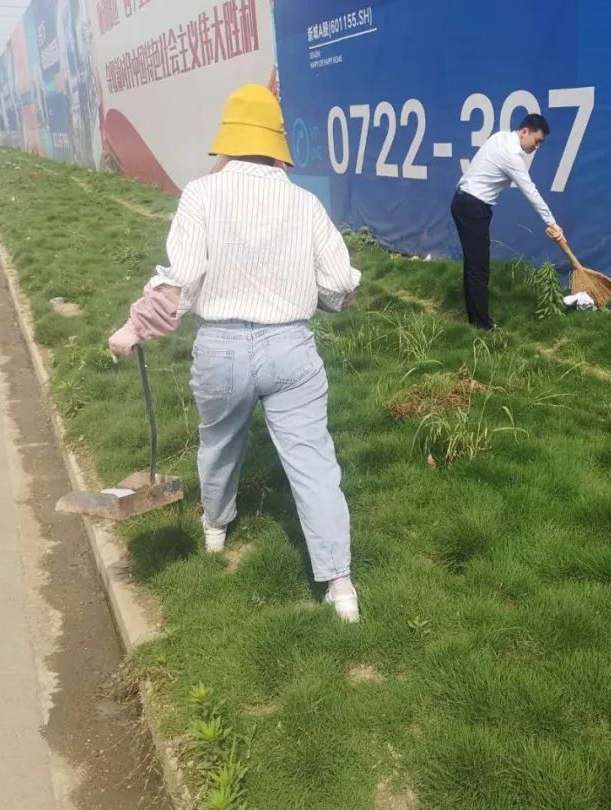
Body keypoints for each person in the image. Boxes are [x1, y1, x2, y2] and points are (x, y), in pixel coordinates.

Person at [108, 84, 362, 621]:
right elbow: (340, 283)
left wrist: (133, 328)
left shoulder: (201, 195)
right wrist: (326, 299)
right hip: (292, 349)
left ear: (227, 139)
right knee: (314, 464)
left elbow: (181, 278)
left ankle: (216, 531)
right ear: (277, 144)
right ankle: (341, 587)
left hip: (221, 348)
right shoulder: (305, 203)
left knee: (219, 444)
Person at [451, 113, 563, 330]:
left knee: (474, 265)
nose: (537, 147)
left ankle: (475, 320)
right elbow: (530, 192)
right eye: (536, 140)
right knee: (479, 268)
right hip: (473, 207)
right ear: (524, 132)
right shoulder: (511, 155)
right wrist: (552, 224)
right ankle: (482, 325)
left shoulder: (500, 137)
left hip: (465, 202)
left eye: (540, 143)